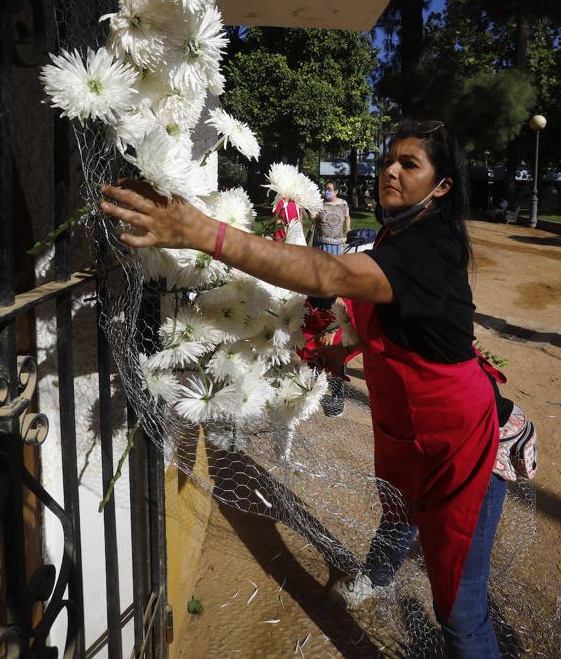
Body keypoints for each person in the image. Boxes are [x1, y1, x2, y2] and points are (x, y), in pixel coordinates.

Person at [100, 118, 534, 659]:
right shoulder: (396, 233)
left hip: (459, 440)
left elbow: (325, 273)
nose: (390, 171)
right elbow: (391, 324)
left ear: (442, 186)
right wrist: (340, 350)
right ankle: (376, 578)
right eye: (388, 160)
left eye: (409, 164)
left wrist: (202, 233)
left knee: (459, 608)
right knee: (399, 507)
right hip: (409, 428)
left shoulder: (428, 249)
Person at [312, 180, 350, 254]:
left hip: (336, 244)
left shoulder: (343, 203)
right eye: (326, 189)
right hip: (321, 243)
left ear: (336, 191)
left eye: (329, 189)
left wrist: (348, 228)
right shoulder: (320, 203)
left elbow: (347, 216)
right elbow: (312, 216)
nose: (326, 191)